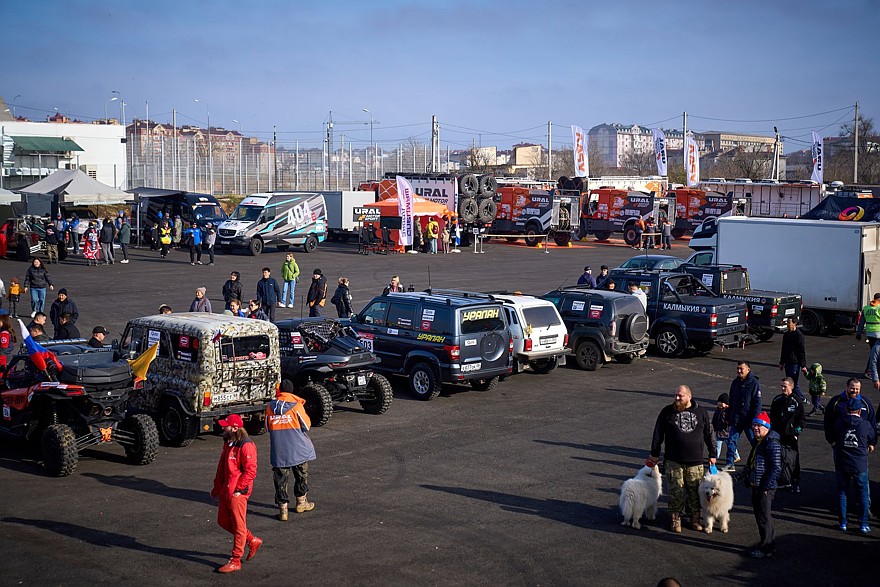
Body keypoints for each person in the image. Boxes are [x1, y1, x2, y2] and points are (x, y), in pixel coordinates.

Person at [648, 385, 715, 533]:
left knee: (694, 492)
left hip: (695, 462)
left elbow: (709, 433)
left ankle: (695, 519)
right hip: (673, 461)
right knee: (675, 492)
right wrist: (654, 453)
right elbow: (658, 433)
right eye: (676, 395)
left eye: (681, 396)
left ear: (689, 396)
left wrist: (713, 453)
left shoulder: (701, 412)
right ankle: (675, 519)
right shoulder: (667, 412)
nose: (677, 398)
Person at [210, 413, 262, 574]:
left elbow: (250, 471)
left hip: (236, 492)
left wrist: (239, 490)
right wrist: (217, 487)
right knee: (223, 521)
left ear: (234, 427)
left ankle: (235, 560)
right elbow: (222, 468)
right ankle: (251, 540)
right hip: (227, 489)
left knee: (239, 526)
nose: (222, 427)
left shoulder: (246, 445)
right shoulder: (229, 442)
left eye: (225, 425)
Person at [266, 380, 317, 521]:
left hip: (279, 449)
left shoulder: (270, 407)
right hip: (298, 447)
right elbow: (306, 425)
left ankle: (283, 510)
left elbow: (267, 427)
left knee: (280, 479)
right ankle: (301, 503)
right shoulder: (296, 406)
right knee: (301, 474)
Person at [831, 396, 876, 534]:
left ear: (847, 409)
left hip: (842, 462)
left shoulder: (839, 423)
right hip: (859, 464)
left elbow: (834, 437)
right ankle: (863, 523)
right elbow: (872, 438)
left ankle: (843, 522)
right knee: (862, 493)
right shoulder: (865, 424)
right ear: (859, 411)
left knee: (842, 492)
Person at [745, 412, 782, 558]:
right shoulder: (759, 442)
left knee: (764, 517)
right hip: (757, 485)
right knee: (761, 516)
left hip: (764, 488)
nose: (755, 428)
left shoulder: (771, 443)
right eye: (754, 425)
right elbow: (752, 464)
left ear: (766, 427)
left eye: (758, 425)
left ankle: (767, 548)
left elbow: (776, 467)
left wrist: (765, 487)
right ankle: (766, 544)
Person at [769, 378, 806, 493]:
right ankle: (780, 480)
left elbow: (802, 420)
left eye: (785, 386)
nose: (783, 388)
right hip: (777, 435)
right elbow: (772, 417)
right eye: (781, 386)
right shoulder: (777, 400)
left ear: (792, 387)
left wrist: (796, 432)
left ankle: (795, 481)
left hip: (791, 436)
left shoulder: (797, 401)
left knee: (793, 459)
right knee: (777, 458)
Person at [724, 361, 762, 472]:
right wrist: (728, 416)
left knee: (754, 442)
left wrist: (754, 420)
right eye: (738, 369)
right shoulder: (735, 383)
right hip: (736, 419)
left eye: (741, 369)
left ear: (748, 370)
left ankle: (759, 462)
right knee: (731, 441)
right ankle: (730, 463)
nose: (739, 371)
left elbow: (757, 403)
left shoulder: (754, 383)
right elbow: (731, 400)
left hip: (749, 420)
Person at [824, 378, 878, 446]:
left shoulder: (865, 402)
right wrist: (831, 440)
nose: (855, 391)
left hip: (861, 443)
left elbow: (872, 422)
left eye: (857, 389)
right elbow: (828, 422)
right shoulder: (835, 402)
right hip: (841, 443)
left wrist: (872, 443)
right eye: (852, 388)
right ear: (847, 387)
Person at [778, 318, 807, 401]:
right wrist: (781, 362)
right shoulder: (786, 335)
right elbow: (783, 349)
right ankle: (793, 399)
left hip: (795, 363)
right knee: (790, 382)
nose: (787, 324)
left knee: (793, 383)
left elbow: (801, 351)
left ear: (794, 323)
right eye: (787, 322)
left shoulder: (799, 336)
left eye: (789, 322)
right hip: (787, 362)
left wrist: (803, 365)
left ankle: (802, 399)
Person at [856, 292, 880, 390]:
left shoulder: (866, 308)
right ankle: (868, 371)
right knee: (875, 353)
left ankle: (870, 370)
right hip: (878, 333)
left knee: (873, 352)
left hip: (870, 333)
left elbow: (861, 322)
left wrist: (858, 333)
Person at [712, 393, 739, 463]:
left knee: (730, 445)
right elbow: (714, 419)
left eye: (722, 402)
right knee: (717, 446)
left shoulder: (728, 411)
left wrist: (727, 423)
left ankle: (736, 455)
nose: (720, 404)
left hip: (727, 432)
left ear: (726, 404)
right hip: (719, 432)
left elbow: (730, 420)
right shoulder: (717, 411)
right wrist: (713, 426)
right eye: (719, 402)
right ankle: (715, 457)